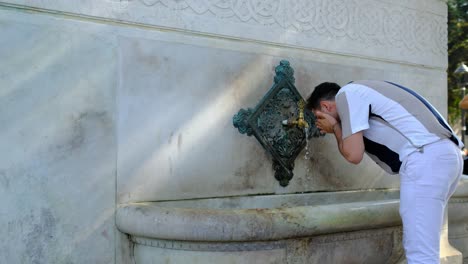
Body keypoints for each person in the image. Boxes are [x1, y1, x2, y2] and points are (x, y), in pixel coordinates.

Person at [306, 80, 463, 264]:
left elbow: (353, 154)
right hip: (445, 156)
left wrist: (334, 127)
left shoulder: (347, 94)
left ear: (325, 106)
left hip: (425, 158)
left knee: (421, 255)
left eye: (318, 117)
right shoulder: (362, 94)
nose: (319, 125)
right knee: (426, 247)